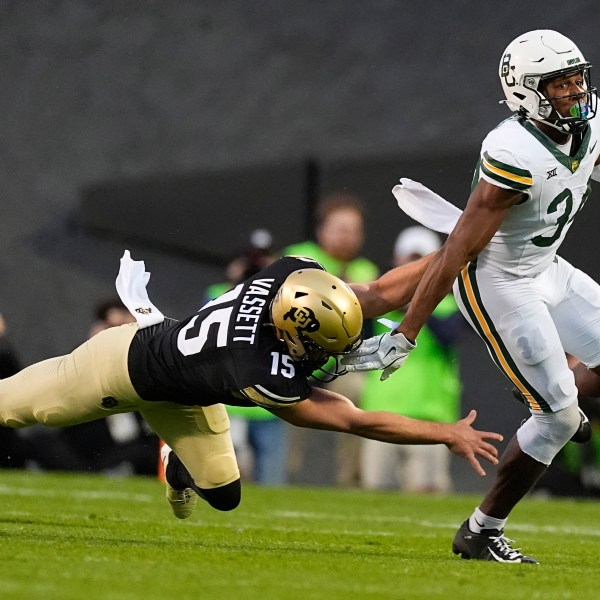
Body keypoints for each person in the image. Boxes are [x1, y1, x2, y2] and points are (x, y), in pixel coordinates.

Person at [343, 30, 600, 563]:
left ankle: (553, 393)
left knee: (562, 404)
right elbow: (456, 252)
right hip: (498, 283)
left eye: (579, 77)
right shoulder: (514, 152)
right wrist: (407, 332)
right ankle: (481, 530)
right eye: (560, 84)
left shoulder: (587, 119)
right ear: (527, 92)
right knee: (555, 420)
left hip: (547, 266)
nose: (576, 91)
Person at [0, 251, 502, 522]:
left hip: (185, 390)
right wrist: (445, 432)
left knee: (223, 496)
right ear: (288, 332)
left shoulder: (293, 279)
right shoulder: (257, 367)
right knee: (15, 408)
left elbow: (379, 291)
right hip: (119, 366)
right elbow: (355, 419)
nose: (330, 357)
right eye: (321, 347)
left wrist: (465, 247)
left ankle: (178, 464)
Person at [283, 192, 379, 486]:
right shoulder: (300, 256)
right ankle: (287, 476)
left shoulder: (366, 270)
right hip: (295, 356)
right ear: (322, 230)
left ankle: (350, 478)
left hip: (340, 361)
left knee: (357, 390)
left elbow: (367, 329)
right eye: (340, 228)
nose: (347, 236)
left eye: (353, 230)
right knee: (286, 403)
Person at [360, 226, 464, 493]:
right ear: (397, 262)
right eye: (409, 259)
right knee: (375, 492)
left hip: (429, 414)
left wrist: (419, 304)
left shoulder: (450, 304)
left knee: (426, 494)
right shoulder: (380, 303)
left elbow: (448, 336)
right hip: (381, 410)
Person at [205, 229, 290, 486]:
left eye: (266, 261)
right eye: (254, 260)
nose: (259, 267)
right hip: (233, 401)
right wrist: (238, 285)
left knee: (272, 479)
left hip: (271, 403)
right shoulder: (218, 292)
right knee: (232, 476)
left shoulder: (287, 295)